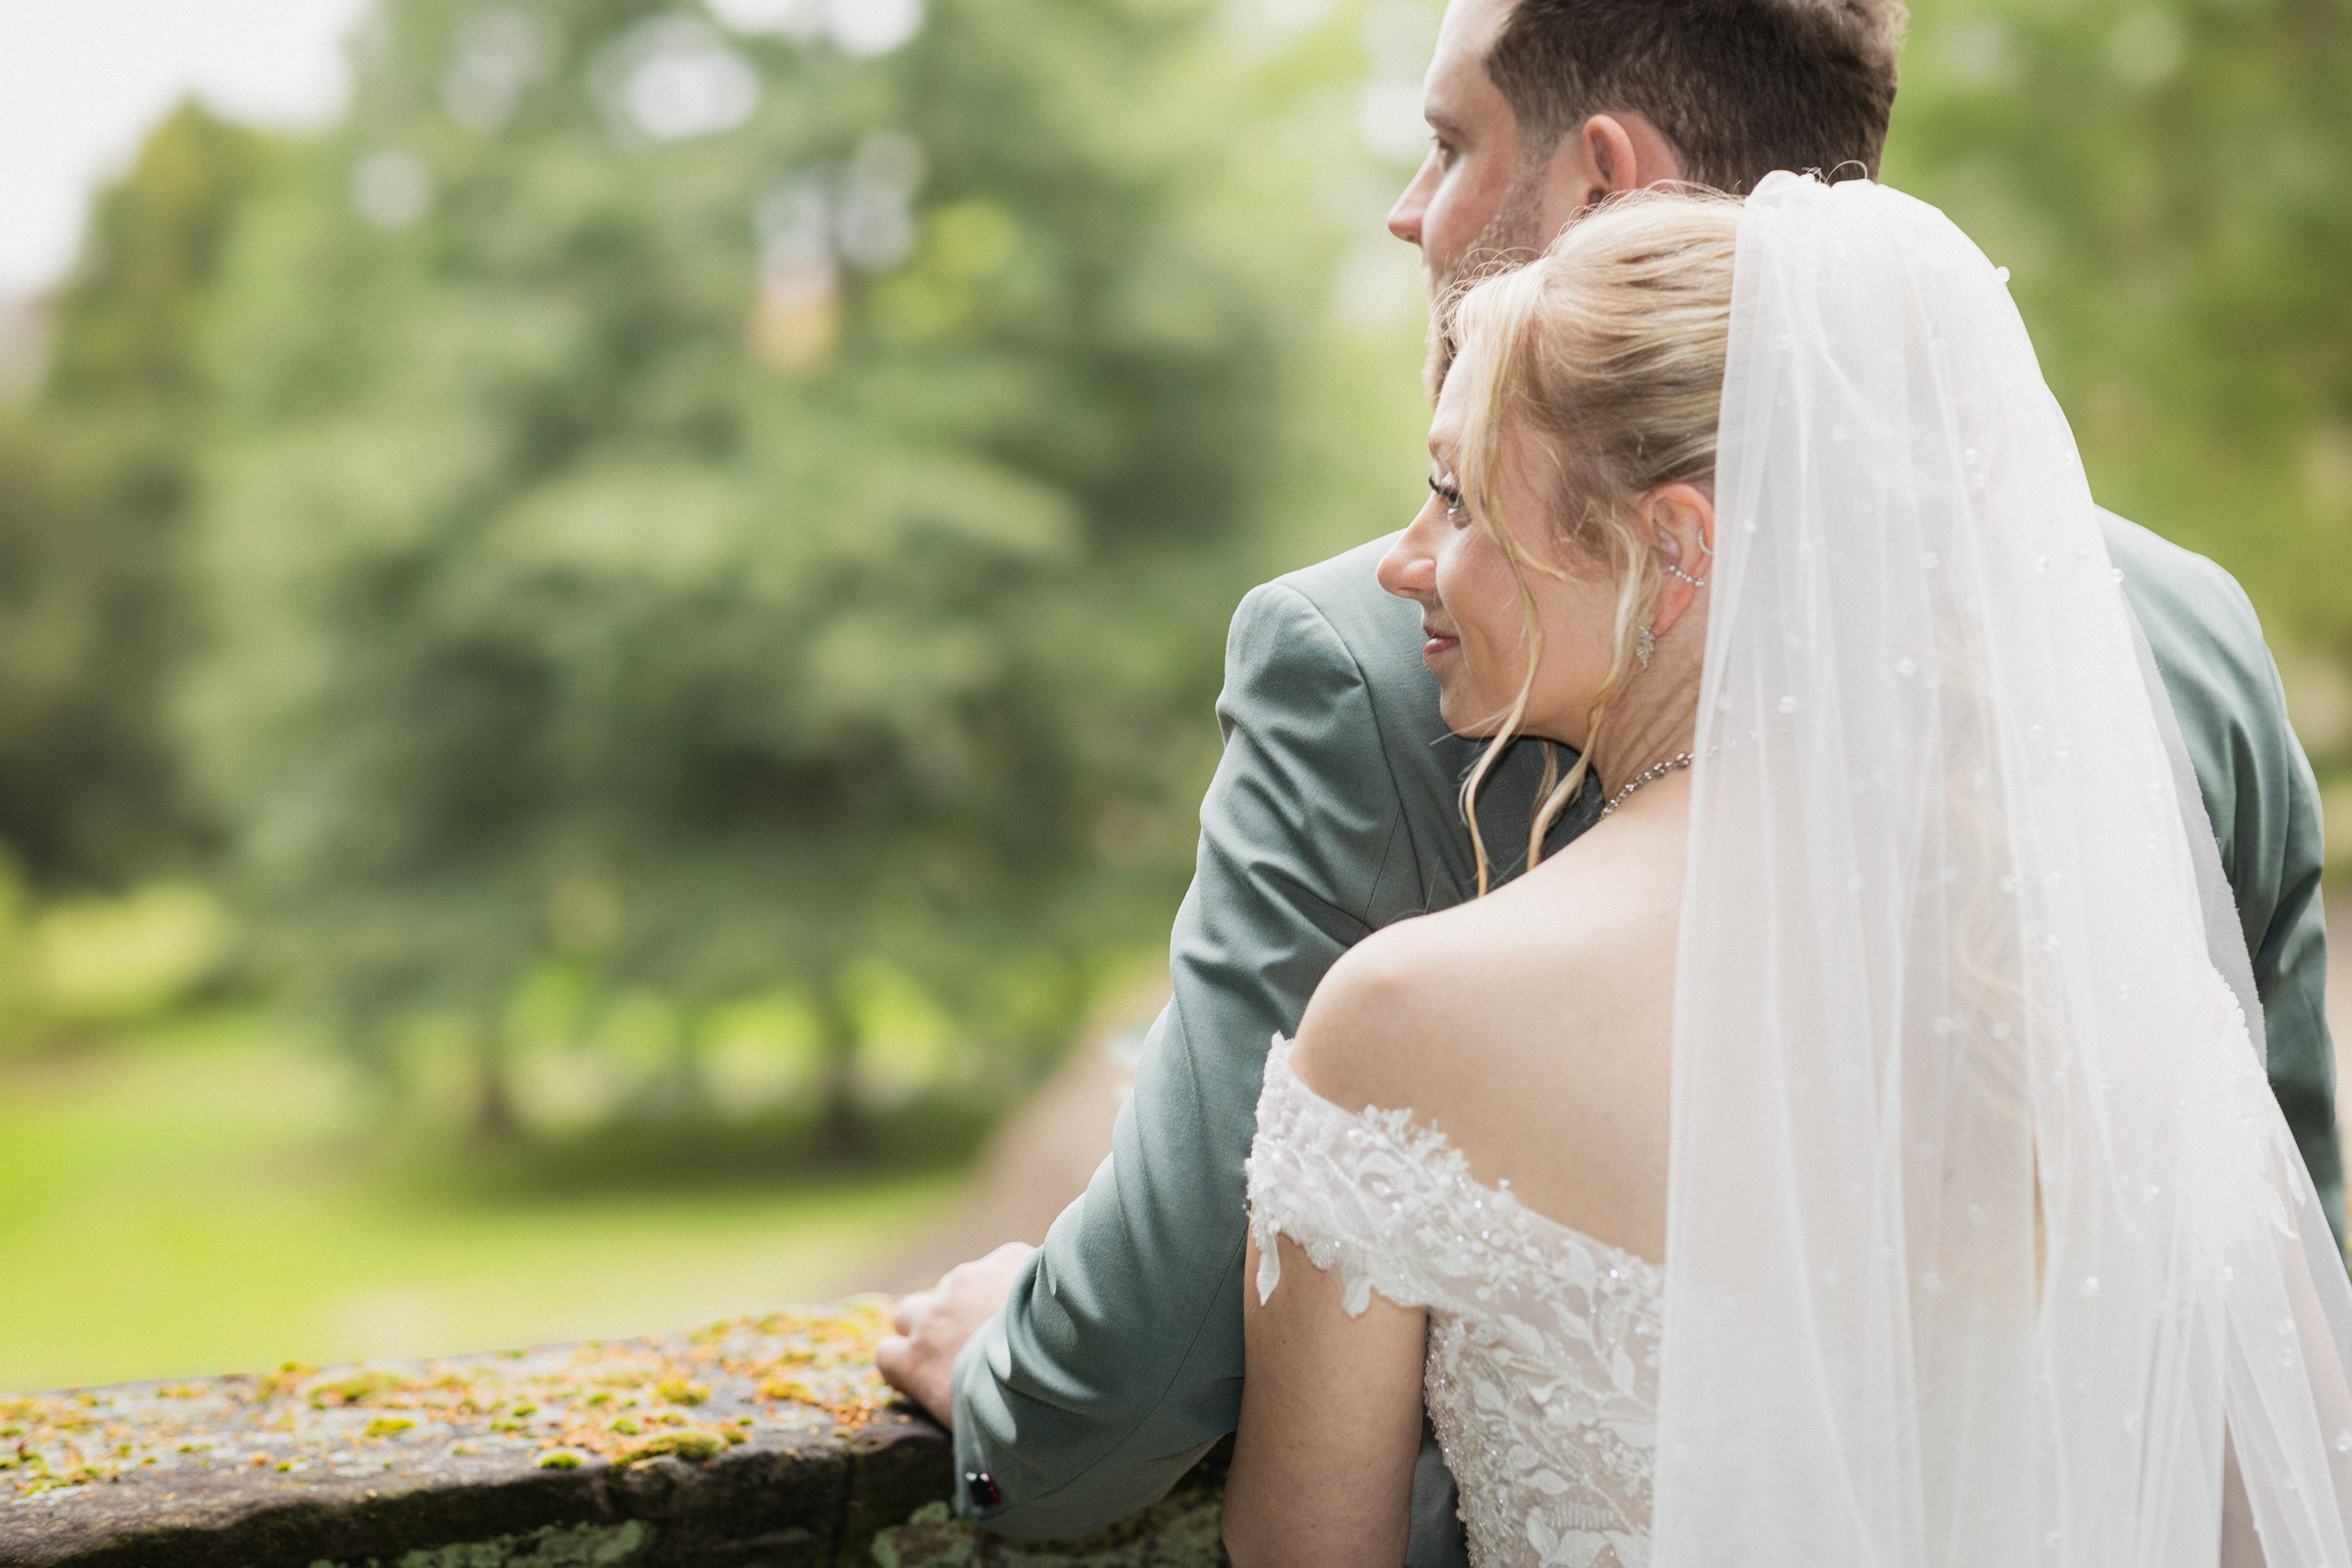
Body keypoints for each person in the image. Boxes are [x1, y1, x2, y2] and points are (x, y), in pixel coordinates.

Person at [876, 0, 2340, 1556]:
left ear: (1603, 178)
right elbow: (2281, 1337)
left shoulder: (1360, 703)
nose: (1409, 209)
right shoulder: (2182, 642)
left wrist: (1013, 1382)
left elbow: (1158, 1351)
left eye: (1448, 143)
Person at [1224, 173, 2352, 1568]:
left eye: (1454, 498)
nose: (1404, 563)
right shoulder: (2099, 989)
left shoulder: (1403, 1024)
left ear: (1677, 548)